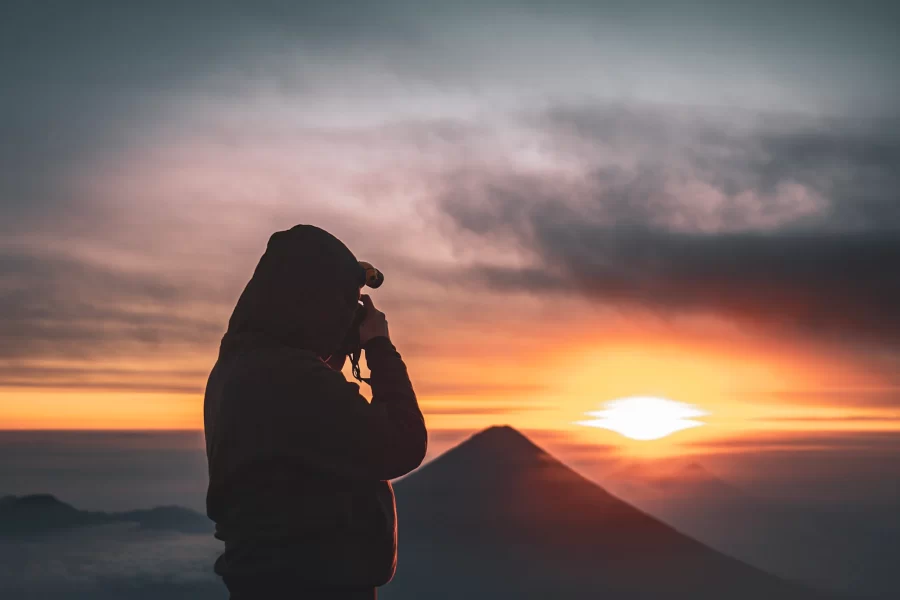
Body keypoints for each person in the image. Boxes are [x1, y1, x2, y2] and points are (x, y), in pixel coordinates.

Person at [203, 224, 428, 599]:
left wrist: (332, 350)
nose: (347, 318)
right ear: (314, 303)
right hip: (315, 587)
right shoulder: (289, 376)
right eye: (344, 305)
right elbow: (403, 443)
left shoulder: (240, 368)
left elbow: (313, 437)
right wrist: (379, 346)